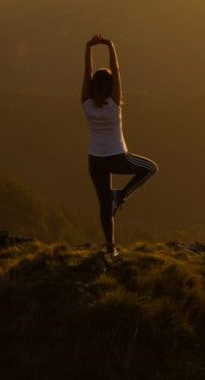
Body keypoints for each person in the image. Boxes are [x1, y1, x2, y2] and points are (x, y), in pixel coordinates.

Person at [82, 34, 158, 257]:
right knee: (151, 168)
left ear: (94, 85)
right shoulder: (114, 104)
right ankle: (122, 195)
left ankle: (110, 247)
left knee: (104, 204)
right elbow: (117, 72)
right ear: (111, 86)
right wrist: (110, 46)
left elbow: (87, 74)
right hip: (117, 156)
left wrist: (88, 48)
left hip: (95, 160)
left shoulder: (86, 104)